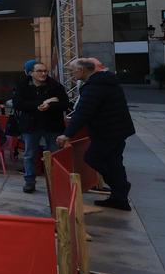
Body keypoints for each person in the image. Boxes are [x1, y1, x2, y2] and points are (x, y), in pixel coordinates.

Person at [57, 58, 136, 210]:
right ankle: (119, 197)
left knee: (93, 158)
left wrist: (67, 134)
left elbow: (83, 112)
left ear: (82, 70)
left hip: (108, 131)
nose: (72, 74)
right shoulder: (105, 82)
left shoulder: (95, 86)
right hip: (116, 130)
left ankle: (121, 187)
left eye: (73, 70)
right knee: (114, 162)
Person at [11, 60, 68, 194]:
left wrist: (51, 105)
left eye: (45, 71)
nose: (43, 74)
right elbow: (18, 104)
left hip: (52, 125)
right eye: (39, 71)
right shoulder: (22, 86)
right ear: (31, 73)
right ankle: (29, 181)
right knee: (29, 154)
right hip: (31, 125)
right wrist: (41, 103)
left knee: (54, 154)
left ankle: (55, 181)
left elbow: (65, 104)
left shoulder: (55, 86)